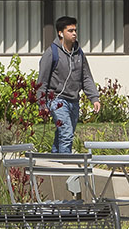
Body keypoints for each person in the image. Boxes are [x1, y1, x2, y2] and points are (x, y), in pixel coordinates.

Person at [38, 15, 100, 153]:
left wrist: (94, 98)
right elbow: (42, 82)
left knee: (62, 135)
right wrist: (42, 104)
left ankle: (54, 164)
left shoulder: (79, 54)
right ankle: (66, 168)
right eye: (70, 30)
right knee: (66, 133)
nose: (74, 34)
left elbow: (86, 78)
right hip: (57, 100)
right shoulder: (51, 53)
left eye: (75, 30)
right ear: (60, 33)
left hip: (73, 101)